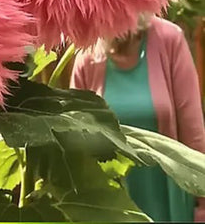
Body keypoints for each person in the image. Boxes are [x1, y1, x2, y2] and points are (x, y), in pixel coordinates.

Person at [71, 14, 205, 222]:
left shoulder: (170, 39)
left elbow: (192, 132)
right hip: (111, 204)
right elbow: (76, 146)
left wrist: (203, 204)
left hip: (166, 198)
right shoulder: (87, 54)